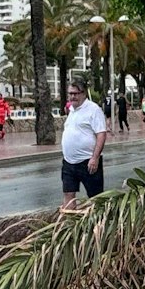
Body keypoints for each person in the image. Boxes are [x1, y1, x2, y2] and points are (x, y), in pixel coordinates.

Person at [60, 76, 110, 207]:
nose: (72, 97)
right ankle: (70, 219)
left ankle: (97, 219)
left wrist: (95, 158)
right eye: (70, 94)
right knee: (68, 195)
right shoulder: (71, 110)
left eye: (75, 94)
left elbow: (101, 134)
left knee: (96, 198)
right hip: (69, 162)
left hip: (88, 162)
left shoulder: (94, 110)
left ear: (84, 93)